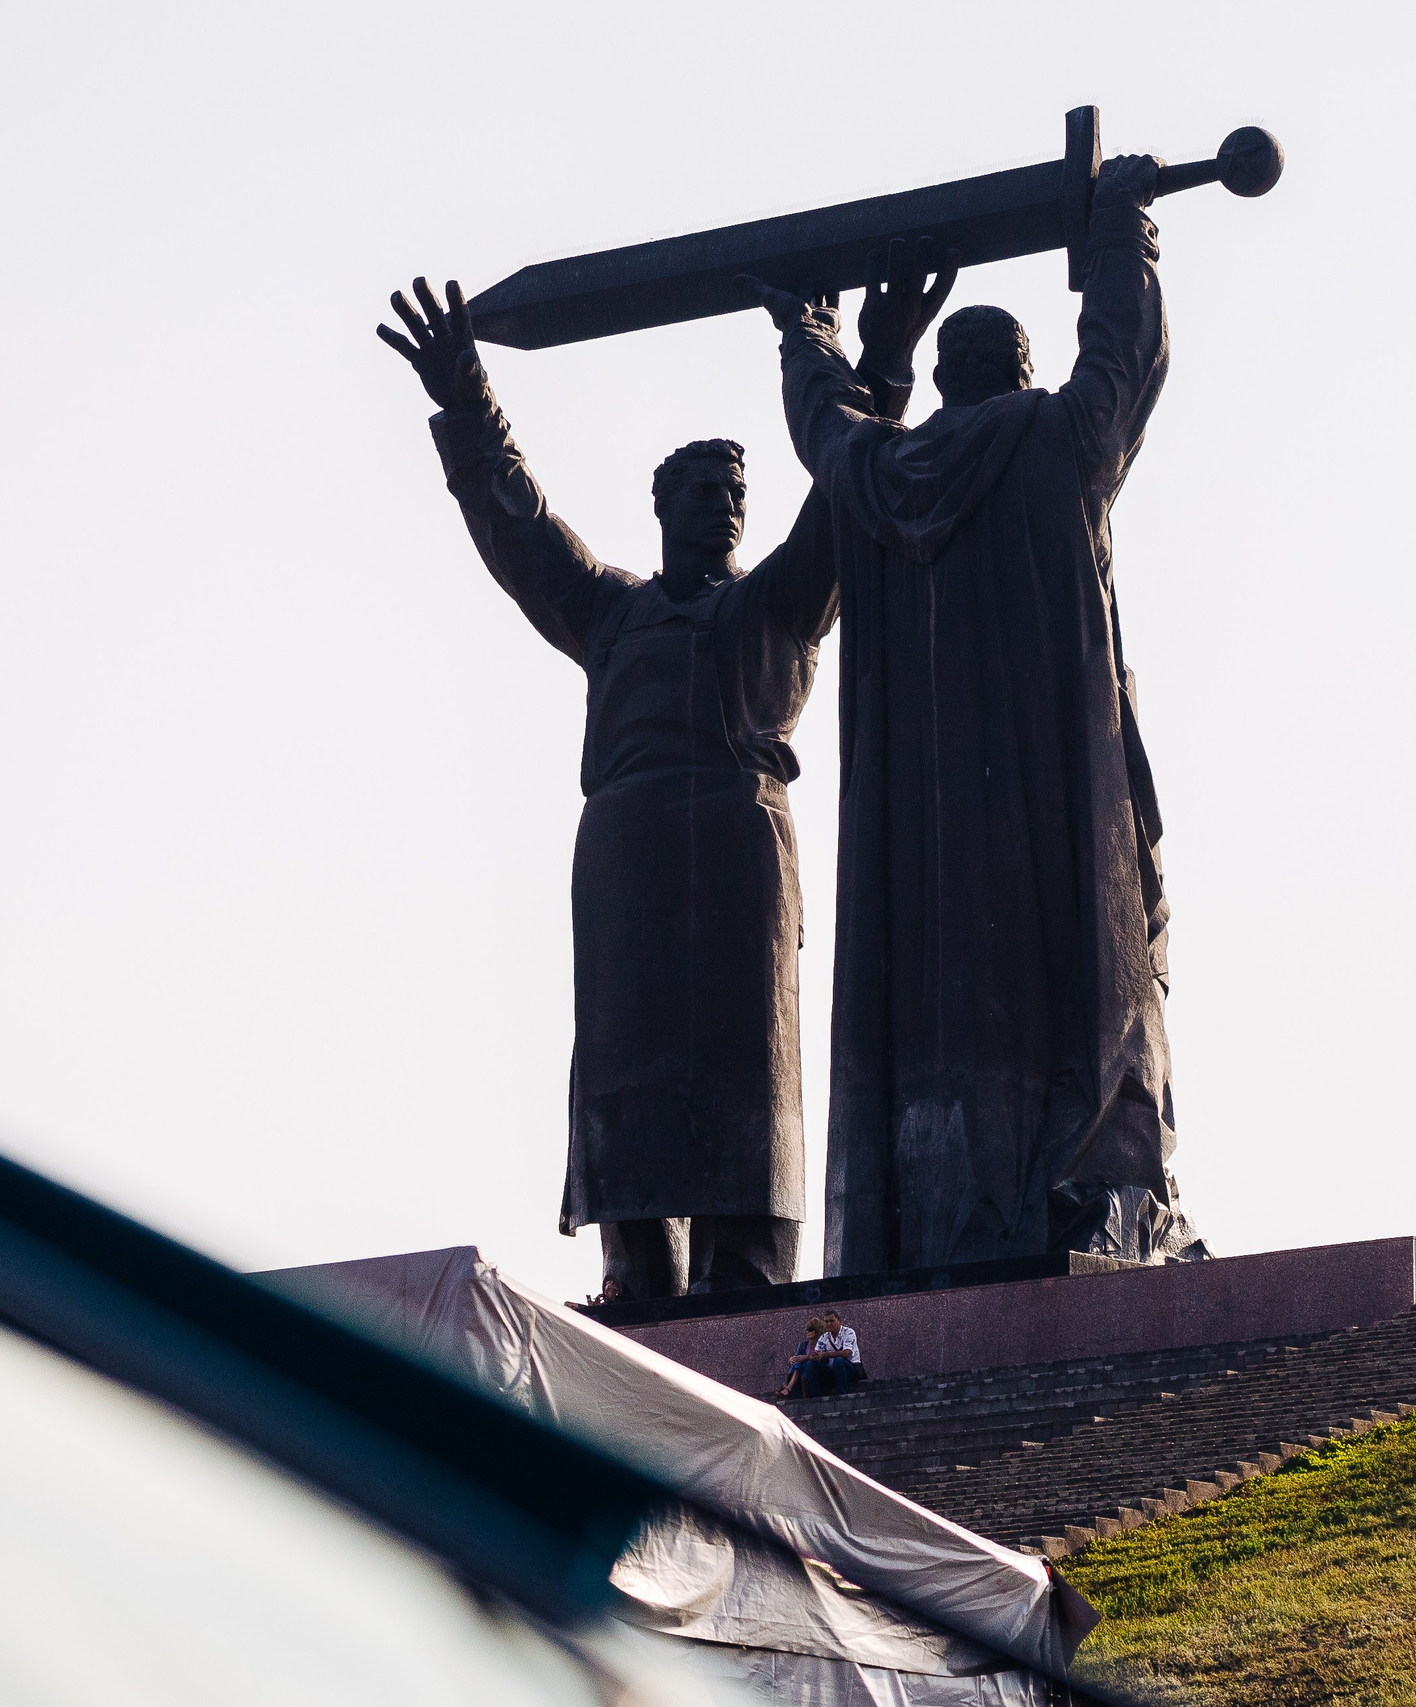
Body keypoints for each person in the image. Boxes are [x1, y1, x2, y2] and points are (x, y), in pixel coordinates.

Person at [379, 260, 948, 1301]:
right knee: (626, 1060)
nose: (724, 506)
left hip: (739, 845)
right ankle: (635, 1269)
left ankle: (743, 1275)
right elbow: (518, 526)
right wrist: (467, 399)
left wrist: (882, 363)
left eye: (736, 493)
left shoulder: (774, 606)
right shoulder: (610, 612)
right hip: (629, 851)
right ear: (661, 505)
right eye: (703, 492)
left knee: (748, 1058)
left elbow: (844, 500)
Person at [741, 158, 1209, 1274]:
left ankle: (942, 1214)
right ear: (1018, 372)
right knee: (1087, 976)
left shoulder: (877, 469)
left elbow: (824, 415)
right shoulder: (1057, 444)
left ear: (945, 380)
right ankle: (1087, 1191)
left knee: (946, 1010)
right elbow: (1125, 360)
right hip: (1054, 792)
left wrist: (810, 330)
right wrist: (1120, 236)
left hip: (931, 831)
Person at [779, 1314, 828, 1399]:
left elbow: (822, 1360)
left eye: (810, 1330)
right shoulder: (803, 1345)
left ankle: (788, 1388)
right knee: (799, 1363)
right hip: (803, 1370)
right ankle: (791, 1389)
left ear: (817, 1331)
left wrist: (805, 1357)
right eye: (806, 1330)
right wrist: (792, 1359)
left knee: (804, 1364)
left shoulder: (823, 1344)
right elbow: (797, 1357)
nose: (807, 1332)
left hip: (819, 1370)